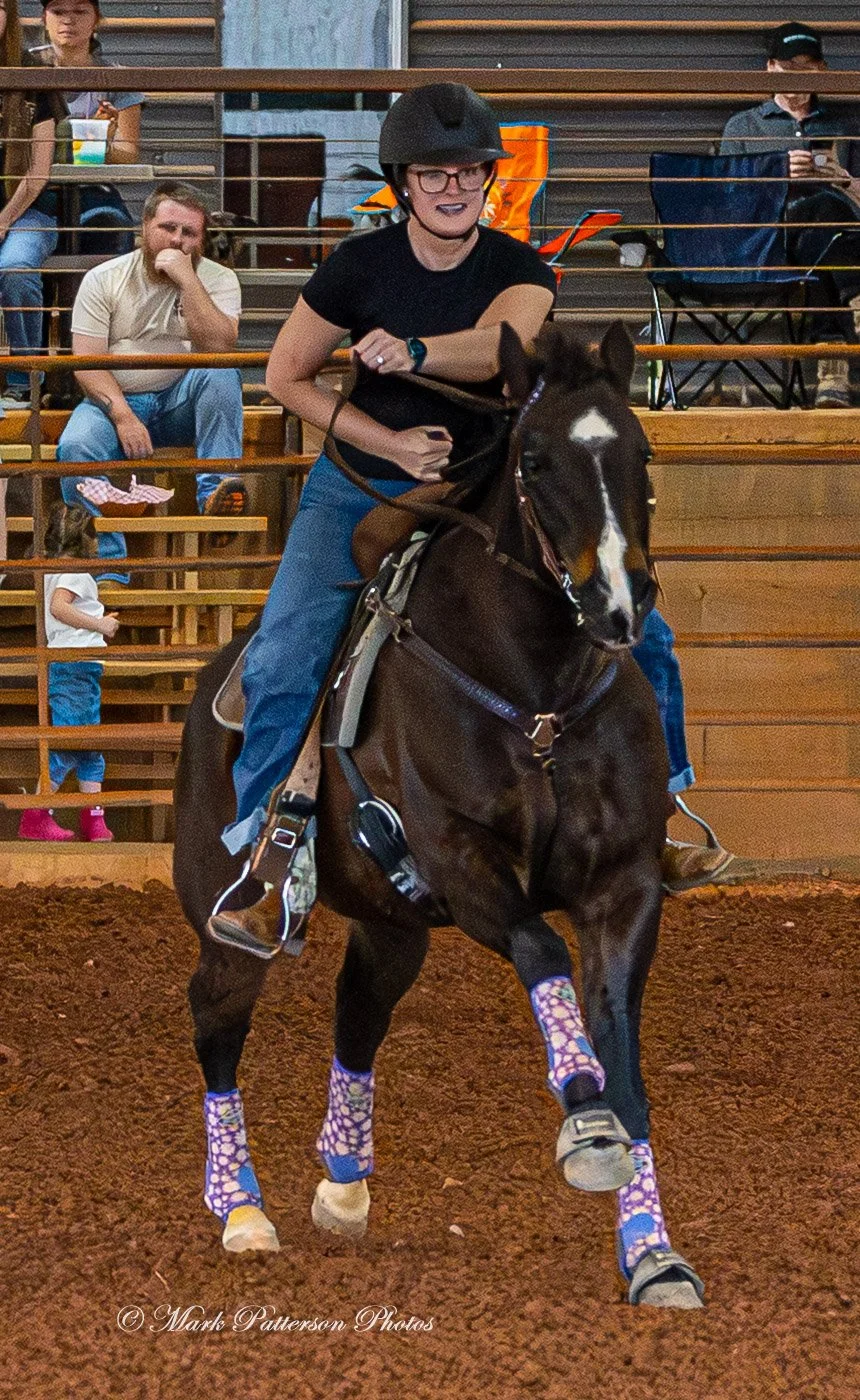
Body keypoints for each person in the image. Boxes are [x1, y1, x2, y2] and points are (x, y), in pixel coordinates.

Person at [208, 82, 732, 954]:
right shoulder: (355, 268)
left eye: (467, 173)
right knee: (288, 648)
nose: (452, 188)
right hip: (362, 483)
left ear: (488, 179)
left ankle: (664, 813)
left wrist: (412, 350)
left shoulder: (519, 269)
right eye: (433, 174)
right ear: (403, 182)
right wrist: (390, 440)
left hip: (488, 482)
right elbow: (285, 376)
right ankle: (271, 857)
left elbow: (502, 346)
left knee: (642, 626)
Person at [56, 180, 248, 582]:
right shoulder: (104, 278)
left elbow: (218, 347)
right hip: (115, 403)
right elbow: (86, 362)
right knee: (75, 446)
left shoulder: (219, 279)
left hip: (181, 402)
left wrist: (188, 281)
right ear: (145, 227)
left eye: (189, 233)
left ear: (201, 239)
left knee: (220, 371)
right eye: (168, 228)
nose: (177, 240)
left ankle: (217, 493)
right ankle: (108, 569)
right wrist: (123, 416)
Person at [720, 21, 860, 408]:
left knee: (824, 220)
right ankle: (855, 301)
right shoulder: (744, 126)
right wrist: (775, 175)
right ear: (770, 68)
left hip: (836, 241)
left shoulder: (844, 126)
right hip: (769, 242)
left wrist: (842, 178)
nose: (798, 76)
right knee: (821, 214)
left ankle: (833, 374)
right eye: (789, 66)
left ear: (822, 71)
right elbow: (728, 205)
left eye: (808, 67)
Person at [18, 502, 117, 841]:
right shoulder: (74, 571)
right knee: (70, 743)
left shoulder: (54, 570)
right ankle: (37, 814)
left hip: (78, 665)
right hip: (75, 664)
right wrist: (100, 624)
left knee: (89, 745)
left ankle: (93, 817)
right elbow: (59, 608)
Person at [29, 0, 144, 257]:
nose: (68, 20)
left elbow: (128, 153)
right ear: (44, 19)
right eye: (58, 11)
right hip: (31, 193)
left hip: (93, 192)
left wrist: (100, 144)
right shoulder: (22, 68)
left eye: (80, 11)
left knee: (112, 229)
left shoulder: (116, 76)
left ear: (96, 20)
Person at [0, 0, 66, 409]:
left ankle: (24, 382)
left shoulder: (33, 74)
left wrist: (3, 219)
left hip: (28, 210)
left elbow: (39, 171)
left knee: (16, 267)